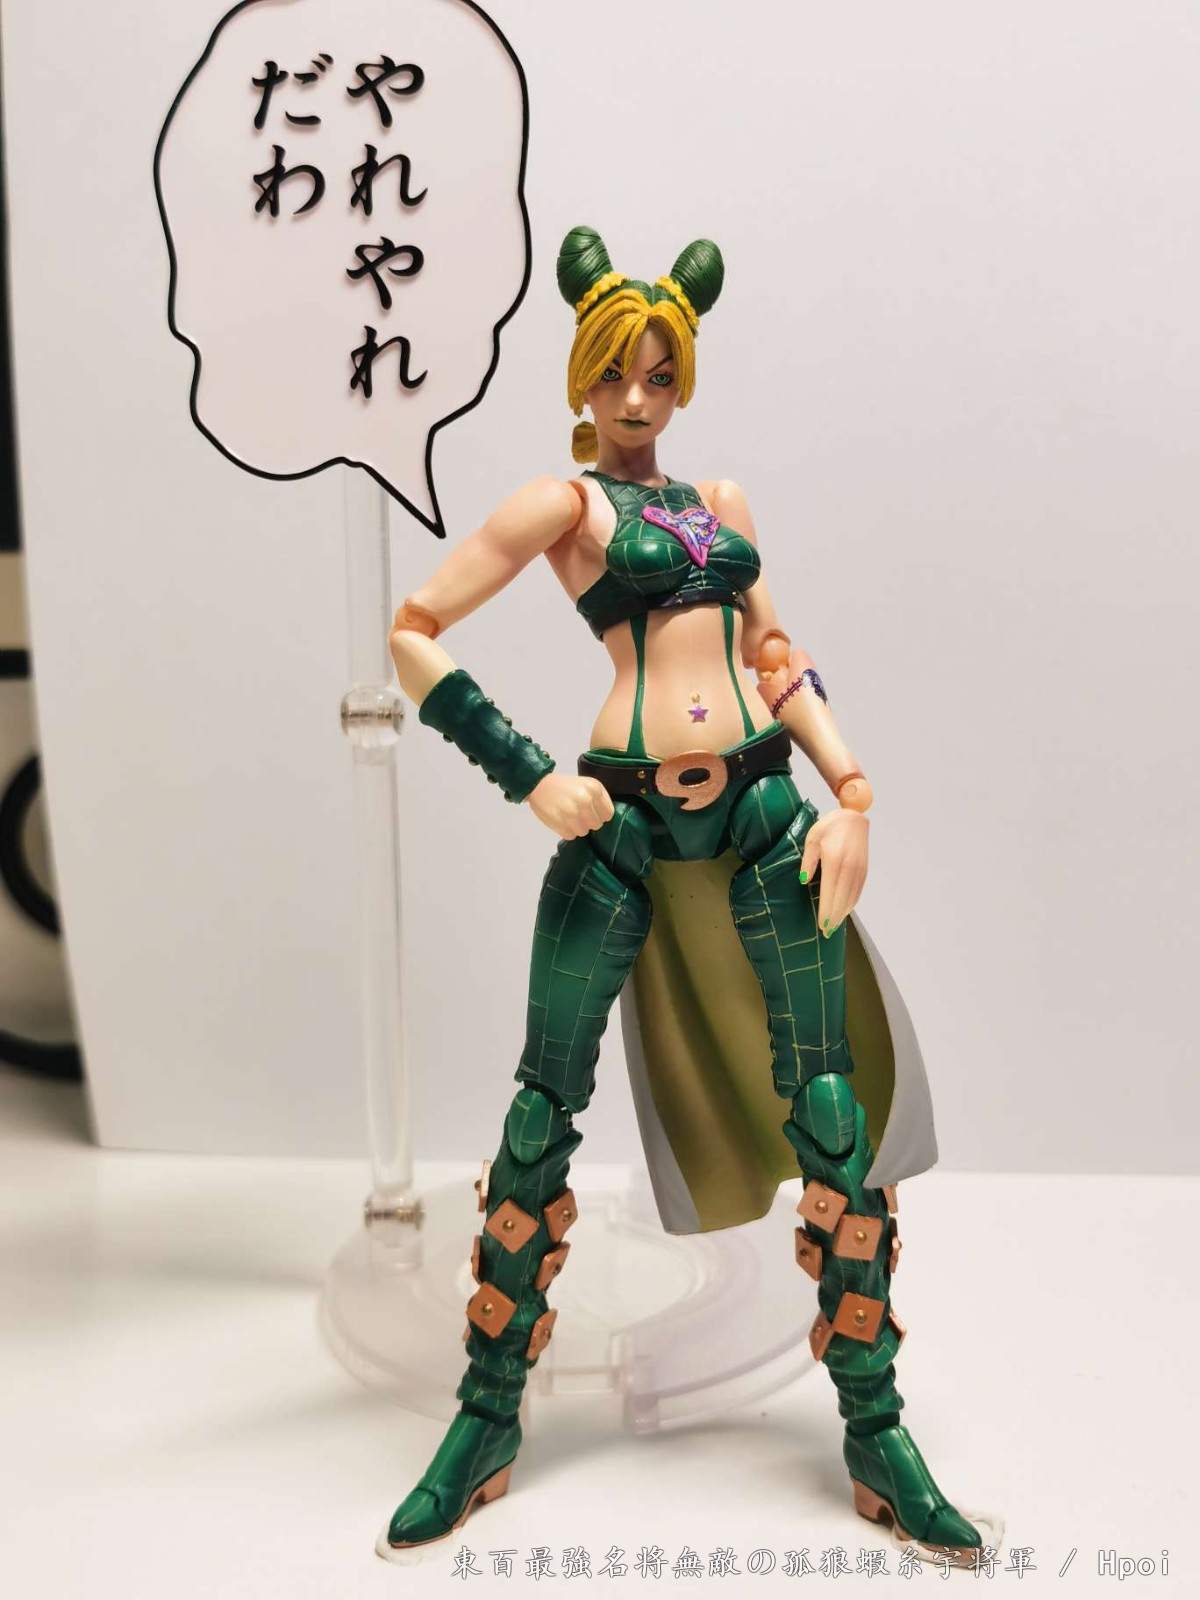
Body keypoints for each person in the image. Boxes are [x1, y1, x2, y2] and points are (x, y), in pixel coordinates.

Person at [380, 225, 983, 1564]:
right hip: (621, 829)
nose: (636, 398)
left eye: (658, 376)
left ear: (682, 380)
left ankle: (876, 1430)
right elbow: (415, 627)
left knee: (832, 1115)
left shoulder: (722, 505)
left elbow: (776, 654)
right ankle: (485, 1415)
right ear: (582, 377)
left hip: (767, 816)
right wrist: (527, 774)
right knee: (539, 1112)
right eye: (615, 375)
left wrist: (851, 789)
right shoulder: (564, 506)